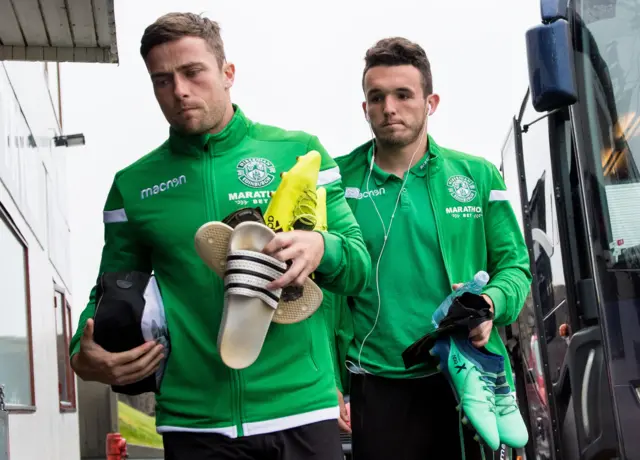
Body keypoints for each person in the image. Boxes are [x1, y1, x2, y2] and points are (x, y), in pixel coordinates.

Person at [68, 12, 371, 460]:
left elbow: (359, 267)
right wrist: (82, 352)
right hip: (194, 420)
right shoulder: (133, 184)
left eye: (193, 72)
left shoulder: (299, 151)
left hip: (300, 409)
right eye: (162, 80)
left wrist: (322, 247)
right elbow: (110, 287)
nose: (180, 91)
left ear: (228, 74)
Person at [331, 37, 532, 459]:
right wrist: (329, 381)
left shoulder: (476, 176)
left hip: (467, 377)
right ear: (364, 107)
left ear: (430, 102)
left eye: (403, 95)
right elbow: (320, 292)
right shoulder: (335, 181)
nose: (390, 108)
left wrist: (489, 303)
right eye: (377, 97)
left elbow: (514, 267)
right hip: (376, 381)